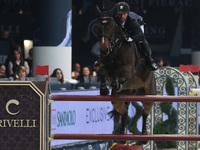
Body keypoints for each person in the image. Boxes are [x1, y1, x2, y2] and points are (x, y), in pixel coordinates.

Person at [95, 2, 157, 71]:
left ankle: (150, 60)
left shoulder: (132, 21)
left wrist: (130, 39)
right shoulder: (115, 19)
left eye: (124, 14)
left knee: (141, 41)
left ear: (127, 13)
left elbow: (141, 36)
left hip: (137, 26)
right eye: (120, 14)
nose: (122, 16)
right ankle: (101, 58)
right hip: (124, 30)